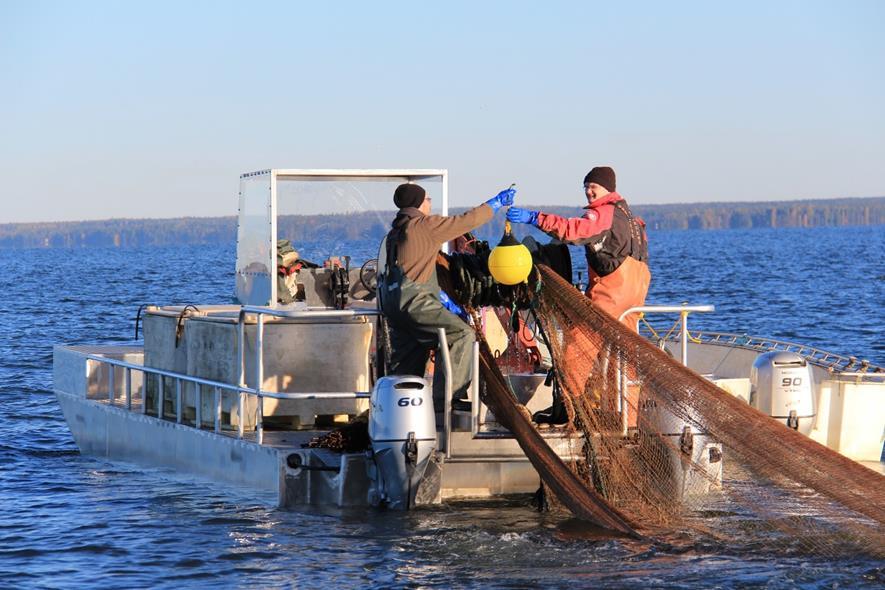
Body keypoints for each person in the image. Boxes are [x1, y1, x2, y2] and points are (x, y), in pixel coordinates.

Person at [507, 166, 650, 423]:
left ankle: (567, 411)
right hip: (636, 291)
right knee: (624, 355)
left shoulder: (604, 213)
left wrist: (535, 218)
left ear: (608, 188)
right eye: (585, 187)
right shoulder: (632, 220)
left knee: (578, 346)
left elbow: (573, 231)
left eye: (593, 186)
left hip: (613, 292)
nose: (588, 191)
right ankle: (626, 419)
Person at [379, 182, 516, 413]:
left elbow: (413, 268)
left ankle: (398, 412)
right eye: (428, 199)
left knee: (408, 360)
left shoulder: (396, 231)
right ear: (419, 203)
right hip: (414, 304)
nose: (430, 202)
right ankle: (446, 401)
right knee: (461, 333)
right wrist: (494, 204)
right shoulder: (423, 225)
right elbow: (466, 221)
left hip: (393, 306)